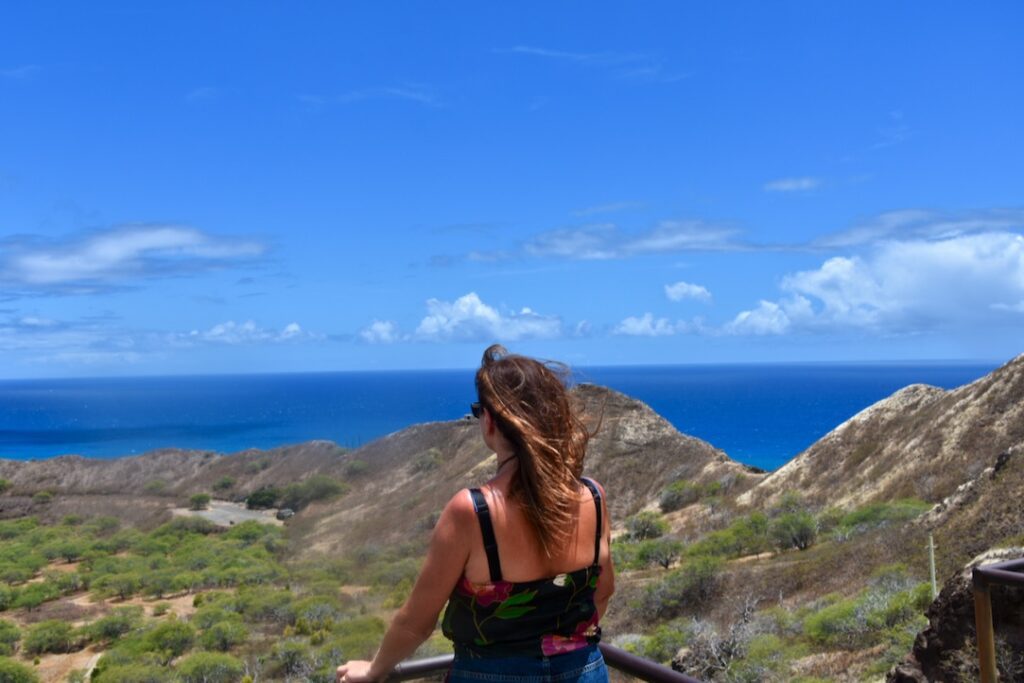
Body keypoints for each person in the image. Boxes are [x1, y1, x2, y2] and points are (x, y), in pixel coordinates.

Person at [337, 344, 614, 683]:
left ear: (491, 421)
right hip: (585, 670)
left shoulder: (473, 510)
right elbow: (603, 591)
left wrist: (374, 670)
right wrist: (564, 646)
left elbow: (417, 622)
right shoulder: (593, 497)